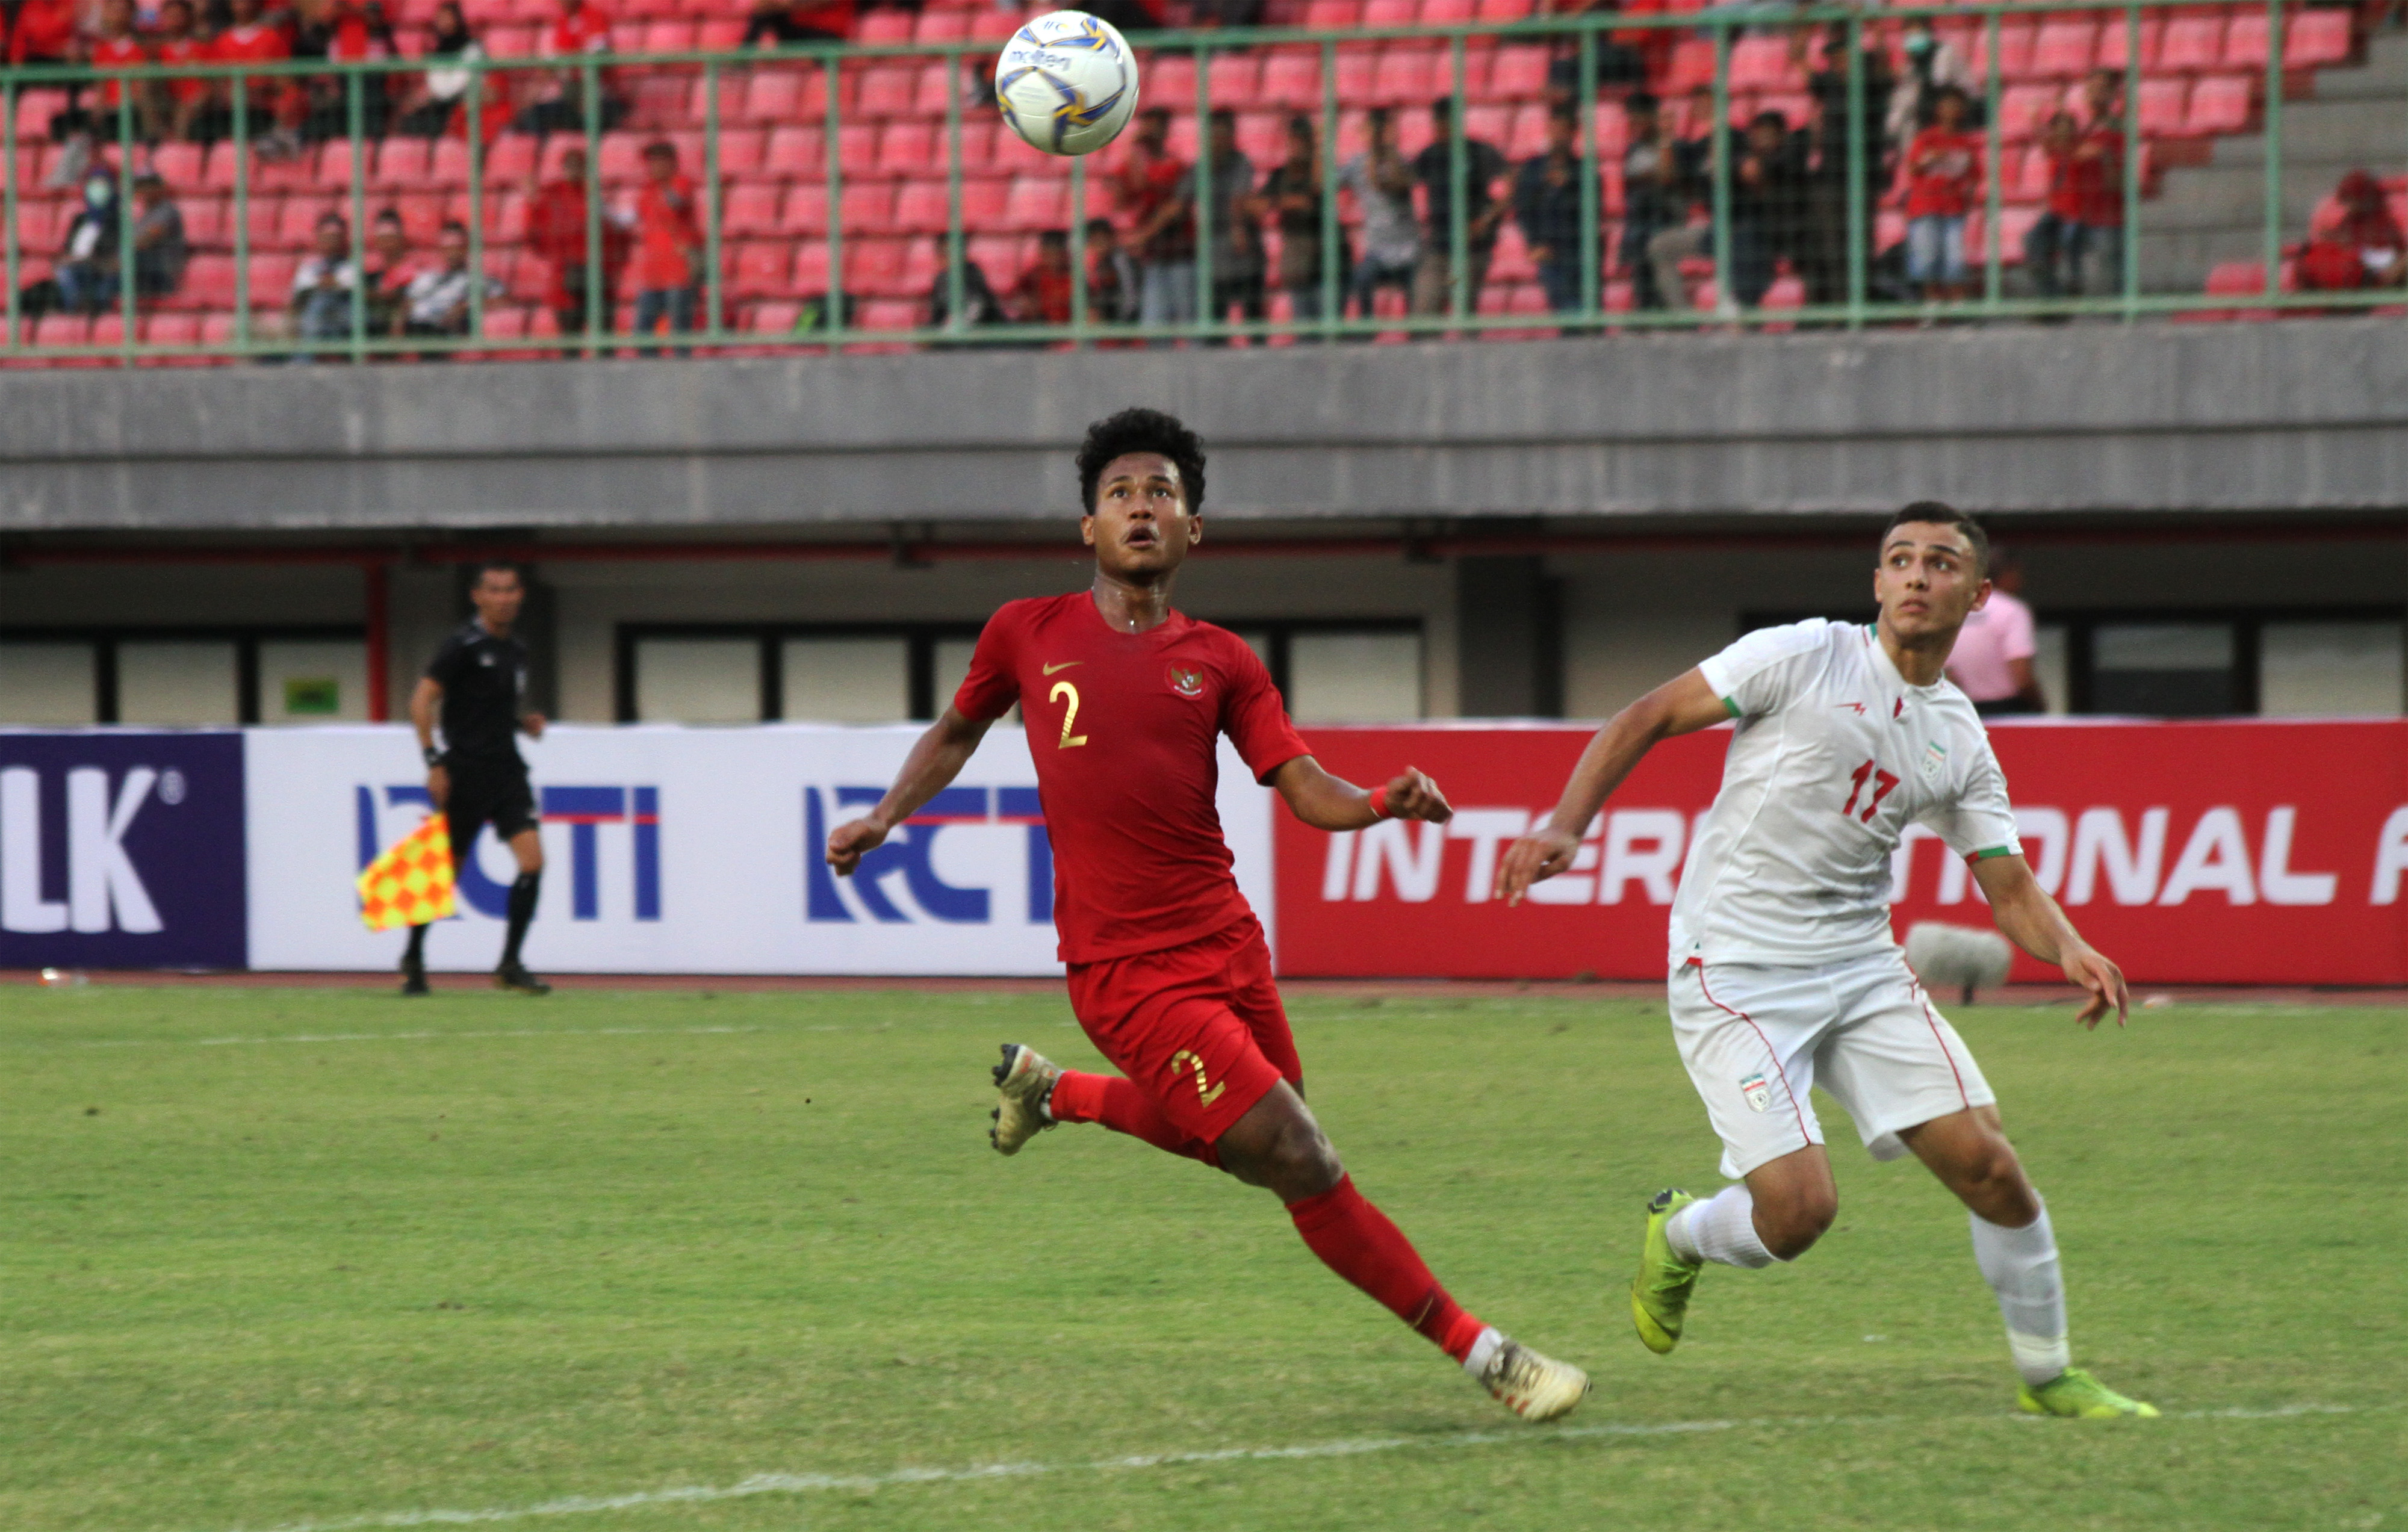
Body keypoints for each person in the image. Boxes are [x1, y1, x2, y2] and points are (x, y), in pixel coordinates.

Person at [825, 408, 1590, 1422]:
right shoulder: (1026, 631)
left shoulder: (1223, 660)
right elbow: (958, 732)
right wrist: (886, 816)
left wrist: (1375, 803)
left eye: (1163, 495)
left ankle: (1057, 1097)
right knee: (1300, 1156)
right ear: (1087, 531)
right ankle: (1488, 1356)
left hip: (1228, 945)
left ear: (1196, 531)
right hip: (1124, 970)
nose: (1142, 507)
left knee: (1270, 1148)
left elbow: (1300, 782)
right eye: (1120, 494)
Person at [1495, 502, 2156, 1424]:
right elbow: (1647, 714)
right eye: (1900, 559)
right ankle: (1679, 1233)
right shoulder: (1803, 655)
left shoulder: (1959, 733)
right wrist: (1567, 825)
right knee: (1800, 1213)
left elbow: (2007, 889)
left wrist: (2072, 946)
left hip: (1859, 966)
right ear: (1878, 582)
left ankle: (2049, 1374)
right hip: (1734, 965)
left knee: (1992, 1170)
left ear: (1978, 595)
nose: (1918, 575)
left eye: (1940, 562)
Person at [403, 560, 551, 997]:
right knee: (447, 871)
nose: (503, 598)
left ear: (520, 595)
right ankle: (413, 956)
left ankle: (509, 963)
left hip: (507, 769)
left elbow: (494, 710)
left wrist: (523, 724)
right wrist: (434, 760)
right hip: (465, 771)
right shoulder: (461, 646)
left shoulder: (517, 650)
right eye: (495, 590)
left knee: (533, 862)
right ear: (478, 596)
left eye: (510, 590)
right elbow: (421, 699)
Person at [1646, 111, 1790, 314]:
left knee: (1745, 239)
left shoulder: (1771, 157)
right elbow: (1667, 177)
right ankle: (1684, 317)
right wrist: (1666, 140)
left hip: (1757, 235)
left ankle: (1742, 309)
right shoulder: (1705, 152)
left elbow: (1753, 174)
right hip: (1718, 232)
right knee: (1660, 245)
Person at [1801, 23, 1894, 309]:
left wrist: (1874, 29)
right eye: (1834, 59)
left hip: (1862, 175)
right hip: (1830, 175)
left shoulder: (1872, 85)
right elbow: (1799, 62)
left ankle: (1860, 303)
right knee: (1832, 243)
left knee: (1860, 241)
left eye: (1843, 57)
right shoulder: (1829, 84)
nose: (1838, 63)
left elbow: (1883, 65)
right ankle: (1841, 304)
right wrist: (1802, 26)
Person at [1409, 96, 1508, 321]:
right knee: (1424, 310)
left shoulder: (1479, 152)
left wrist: (1484, 222)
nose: (1441, 128)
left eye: (1446, 122)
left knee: (1462, 308)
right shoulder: (1429, 156)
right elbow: (1404, 185)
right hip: (1438, 247)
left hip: (1471, 248)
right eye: (1438, 122)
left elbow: (1509, 188)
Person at [527, 146, 628, 341]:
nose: (574, 170)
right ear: (563, 168)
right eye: (570, 166)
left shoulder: (594, 197)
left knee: (604, 340)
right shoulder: (553, 196)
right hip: (567, 280)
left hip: (598, 277)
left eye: (579, 166)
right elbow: (535, 238)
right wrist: (531, 206)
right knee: (571, 341)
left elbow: (615, 235)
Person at [1111, 107, 1196, 336]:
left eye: (1155, 127)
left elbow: (1174, 210)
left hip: (1181, 254)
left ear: (1166, 131)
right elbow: (1121, 201)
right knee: (1153, 327)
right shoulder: (1135, 165)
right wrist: (1134, 154)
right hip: (1154, 258)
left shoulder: (1176, 167)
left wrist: (1142, 236)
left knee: (1190, 323)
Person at [1621, 91, 1702, 311]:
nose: (1635, 123)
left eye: (1641, 118)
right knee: (1642, 284)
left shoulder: (1679, 148)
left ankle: (1677, 321)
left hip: (1665, 222)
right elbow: (1630, 187)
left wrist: (1665, 141)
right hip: (1638, 226)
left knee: (1660, 273)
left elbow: (1668, 178)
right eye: (1632, 118)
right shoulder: (1634, 150)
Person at [1340, 106, 1417, 326]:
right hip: (1377, 251)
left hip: (1408, 249)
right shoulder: (1357, 164)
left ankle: (1415, 337)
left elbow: (1392, 183)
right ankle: (1367, 330)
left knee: (1416, 293)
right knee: (1361, 280)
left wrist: (1387, 149)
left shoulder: (1401, 161)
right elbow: (1326, 182)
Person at [1903, 85, 1980, 303]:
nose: (1952, 110)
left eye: (1956, 106)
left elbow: (1974, 175)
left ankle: (1957, 302)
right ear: (1939, 109)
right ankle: (1932, 302)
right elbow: (1913, 169)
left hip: (1953, 207)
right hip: (1925, 205)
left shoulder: (1965, 143)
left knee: (1955, 257)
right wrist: (1931, 159)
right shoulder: (1926, 138)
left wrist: (1968, 198)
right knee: (1927, 257)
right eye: (1947, 105)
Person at [1946, 547, 2044, 713]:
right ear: (2008, 574)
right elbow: (2022, 677)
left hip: (1963, 709)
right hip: (2007, 710)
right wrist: (2038, 706)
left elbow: (1945, 673)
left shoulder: (1956, 610)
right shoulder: (2012, 610)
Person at [1512, 105, 1587, 317]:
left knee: (1577, 308)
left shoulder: (1584, 171)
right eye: (1553, 129)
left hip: (1579, 252)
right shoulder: (1533, 169)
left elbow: (1592, 212)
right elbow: (1523, 209)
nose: (1557, 136)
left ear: (1573, 132)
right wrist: (1534, 243)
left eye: (1563, 130)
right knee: (1567, 308)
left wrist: (1568, 185)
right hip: (1548, 251)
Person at [630, 140, 703, 347]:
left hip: (679, 271)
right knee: (643, 332)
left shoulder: (681, 183)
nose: (652, 167)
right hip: (653, 273)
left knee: (679, 331)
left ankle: (683, 376)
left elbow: (677, 203)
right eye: (650, 162)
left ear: (671, 162)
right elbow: (633, 217)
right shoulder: (647, 191)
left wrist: (666, 188)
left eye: (657, 161)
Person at [1259, 115, 1328, 326]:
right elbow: (1256, 204)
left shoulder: (1319, 170)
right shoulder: (1280, 175)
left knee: (1329, 328)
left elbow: (1315, 193)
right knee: (1303, 326)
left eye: (1303, 140)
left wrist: (1281, 202)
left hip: (1328, 260)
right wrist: (1288, 202)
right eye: (1294, 141)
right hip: (1298, 262)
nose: (1298, 146)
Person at [1202, 108, 1265, 336]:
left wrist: (1238, 227)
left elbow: (1239, 199)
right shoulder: (1202, 168)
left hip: (1244, 259)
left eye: (1223, 135)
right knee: (1215, 326)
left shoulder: (1241, 163)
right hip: (1215, 262)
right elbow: (1180, 200)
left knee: (1253, 321)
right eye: (1214, 135)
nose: (1218, 141)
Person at [517, 0, 621, 135]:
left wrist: (587, 94)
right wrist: (532, 93)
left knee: (594, 117)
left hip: (599, 94)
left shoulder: (594, 16)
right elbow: (558, 58)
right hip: (572, 93)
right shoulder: (563, 20)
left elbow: (599, 56)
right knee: (532, 116)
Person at [2296, 169, 2406, 294]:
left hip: (2380, 267)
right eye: (2348, 199)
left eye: (2353, 199)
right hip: (2355, 269)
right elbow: (2342, 246)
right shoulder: (2348, 222)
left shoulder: (2383, 221)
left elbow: (2393, 251)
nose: (2350, 205)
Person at [393, 1, 483, 139]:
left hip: (460, 103)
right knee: (409, 116)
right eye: (439, 18)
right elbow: (435, 80)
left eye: (446, 17)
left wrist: (431, 95)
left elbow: (460, 82)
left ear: (457, 19)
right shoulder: (439, 48)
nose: (442, 22)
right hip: (438, 102)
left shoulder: (472, 47)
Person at [398, 220, 495, 345]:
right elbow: (406, 305)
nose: (453, 254)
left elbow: (504, 302)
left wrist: (467, 306)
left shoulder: (479, 280)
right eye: (448, 249)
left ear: (466, 249)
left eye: (458, 248)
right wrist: (399, 319)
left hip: (450, 331)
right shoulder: (426, 278)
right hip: (417, 329)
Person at [52, 172, 124, 315]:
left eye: (103, 187)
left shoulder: (117, 221)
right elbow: (68, 248)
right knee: (62, 271)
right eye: (93, 186)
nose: (97, 191)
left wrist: (82, 260)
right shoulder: (80, 220)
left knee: (66, 272)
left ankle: (74, 309)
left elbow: (110, 252)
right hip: (75, 265)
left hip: (98, 267)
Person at [290, 209, 361, 350]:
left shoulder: (351, 268)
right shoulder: (308, 268)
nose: (330, 242)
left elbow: (350, 291)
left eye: (335, 237)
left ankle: (303, 357)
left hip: (342, 324)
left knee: (322, 300)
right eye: (326, 237)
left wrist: (326, 284)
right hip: (314, 323)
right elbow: (297, 300)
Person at [153, 0, 213, 146]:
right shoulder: (156, 51)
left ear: (189, 18)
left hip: (199, 105)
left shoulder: (203, 47)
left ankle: (177, 151)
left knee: (184, 110)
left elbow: (212, 85)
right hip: (167, 104)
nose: (175, 21)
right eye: (171, 16)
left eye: (180, 16)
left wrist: (196, 101)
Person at [128, 173, 188, 301]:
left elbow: (148, 239)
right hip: (144, 271)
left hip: (163, 272)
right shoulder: (143, 215)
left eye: (147, 187)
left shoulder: (167, 211)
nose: (143, 192)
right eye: (140, 188)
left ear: (158, 188)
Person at [1082, 216, 1141, 327]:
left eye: (1102, 241)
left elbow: (1130, 293)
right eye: (1095, 242)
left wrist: (1122, 320)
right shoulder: (1096, 263)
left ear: (1111, 239)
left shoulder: (1120, 260)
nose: (1099, 246)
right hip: (1107, 313)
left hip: (1125, 317)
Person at [1009, 229, 1075, 325]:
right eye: (1048, 254)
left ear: (1065, 255)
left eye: (1056, 254)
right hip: (1039, 328)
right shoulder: (1034, 276)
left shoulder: (1074, 278)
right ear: (1042, 253)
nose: (1053, 260)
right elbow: (1017, 301)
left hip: (1068, 329)